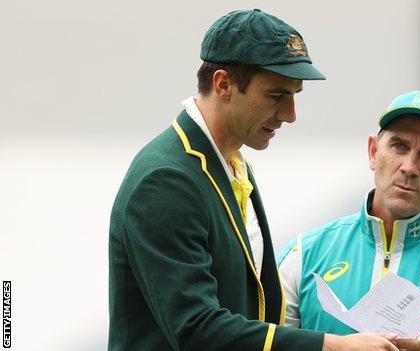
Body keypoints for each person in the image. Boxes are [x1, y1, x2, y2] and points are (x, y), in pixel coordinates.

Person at [108, 9, 402, 351]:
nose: (290, 115)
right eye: (277, 96)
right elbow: (196, 330)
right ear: (223, 84)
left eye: (294, 95)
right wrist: (331, 345)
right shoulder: (166, 180)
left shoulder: (234, 163)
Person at [278, 91, 420, 351]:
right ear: (373, 152)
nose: (409, 167)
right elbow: (266, 341)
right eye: (399, 146)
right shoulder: (304, 254)